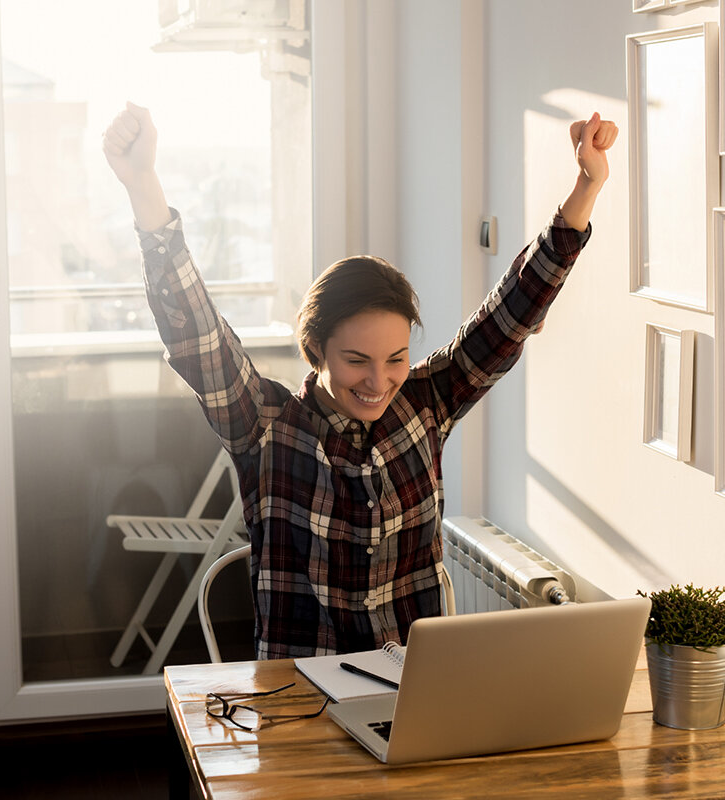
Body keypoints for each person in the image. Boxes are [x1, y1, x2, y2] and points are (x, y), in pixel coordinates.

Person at [103, 102, 616, 659]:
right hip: (299, 698)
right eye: (356, 360)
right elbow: (196, 336)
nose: (379, 380)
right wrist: (143, 188)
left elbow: (509, 315)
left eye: (396, 358)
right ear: (316, 347)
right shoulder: (266, 425)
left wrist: (585, 188)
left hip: (415, 690)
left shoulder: (428, 402)